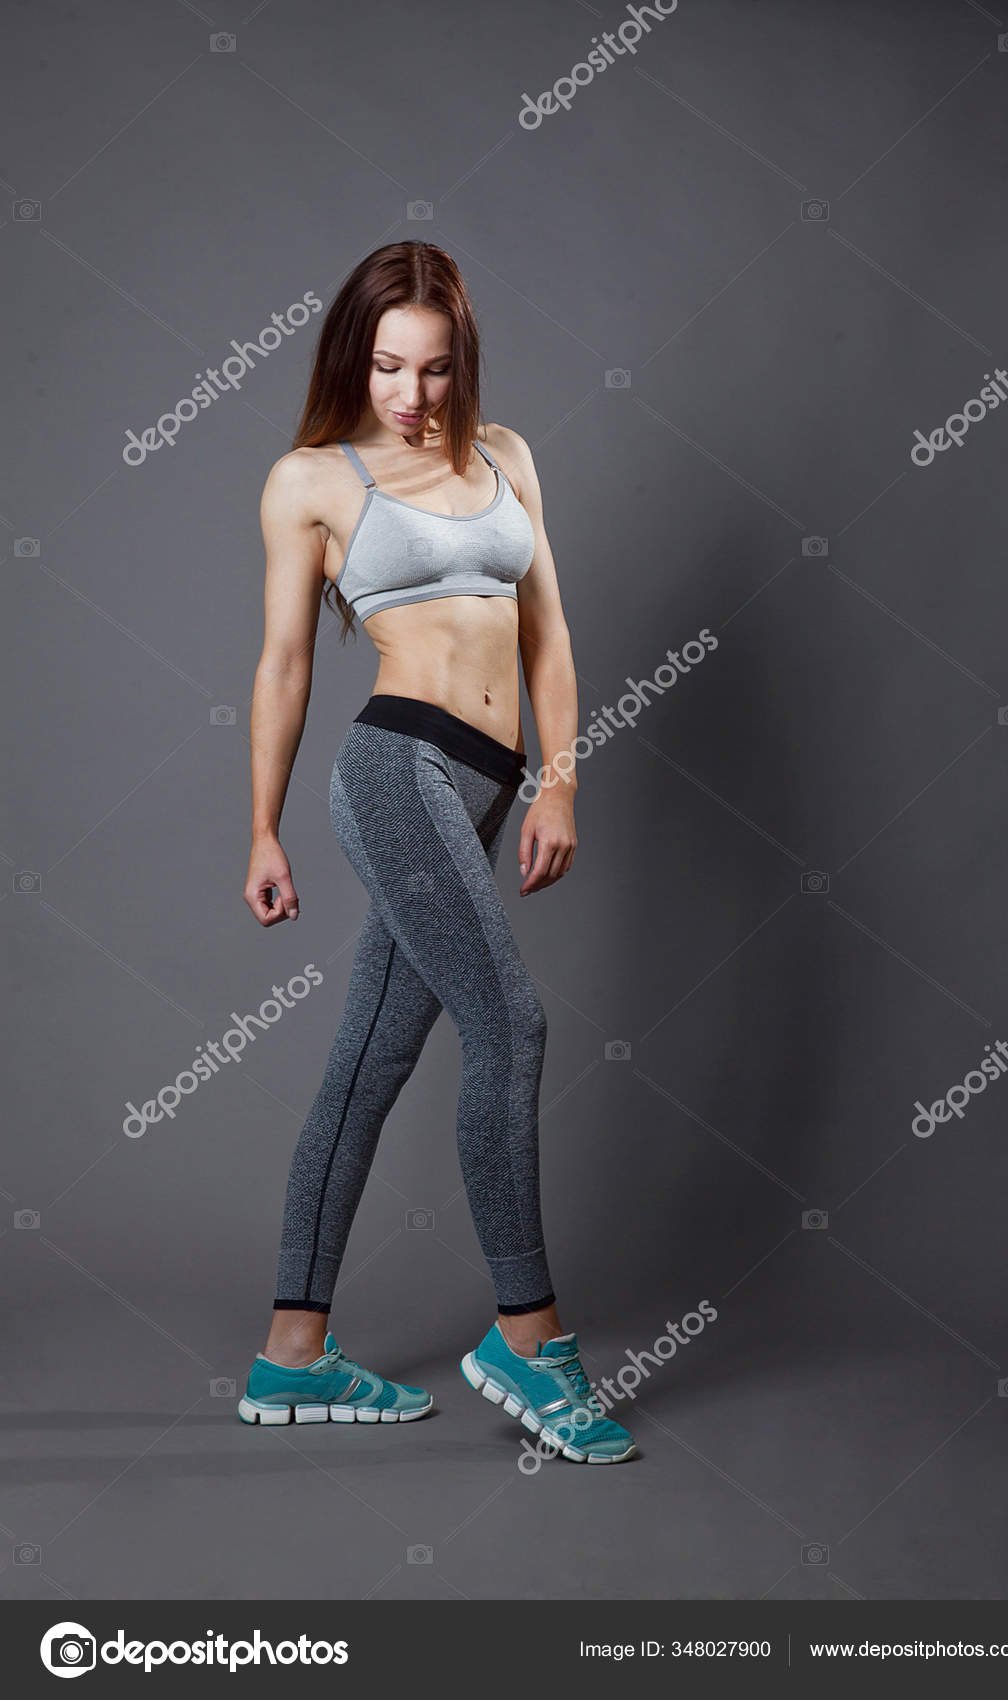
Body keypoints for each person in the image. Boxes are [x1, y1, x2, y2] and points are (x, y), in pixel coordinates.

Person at [235, 241, 635, 1463]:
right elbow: (286, 663)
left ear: (463, 363)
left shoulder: (505, 454)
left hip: (491, 786)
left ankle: (290, 1353)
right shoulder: (312, 478)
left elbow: (547, 630)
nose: (409, 393)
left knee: (368, 1060)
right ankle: (528, 1336)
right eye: (386, 365)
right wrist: (261, 827)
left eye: (434, 367)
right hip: (396, 768)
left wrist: (558, 783)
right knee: (511, 1026)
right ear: (351, 359)